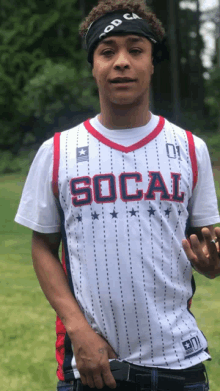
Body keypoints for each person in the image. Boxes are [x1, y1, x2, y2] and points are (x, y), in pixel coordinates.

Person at [15, 0, 220, 390]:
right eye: (107, 51)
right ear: (93, 65)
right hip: (95, 365)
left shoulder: (191, 148)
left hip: (179, 361)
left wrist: (212, 263)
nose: (121, 61)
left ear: (152, 62)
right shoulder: (56, 152)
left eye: (135, 49)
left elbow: (206, 242)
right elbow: (42, 246)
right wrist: (78, 331)